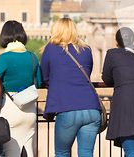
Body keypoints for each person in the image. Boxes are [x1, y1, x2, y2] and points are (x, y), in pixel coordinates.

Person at [40, 18, 101, 157]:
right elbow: (87, 73)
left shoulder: (51, 48)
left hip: (67, 108)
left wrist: (54, 80)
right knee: (86, 153)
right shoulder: (86, 49)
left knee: (62, 153)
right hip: (91, 108)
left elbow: (43, 76)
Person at [101, 27, 134, 157]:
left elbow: (107, 79)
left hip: (125, 103)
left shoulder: (112, 54)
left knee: (131, 149)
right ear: (133, 40)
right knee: (131, 143)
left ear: (116, 41)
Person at [0, 21, 41, 157]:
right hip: (30, 110)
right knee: (28, 152)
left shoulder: (4, 58)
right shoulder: (32, 57)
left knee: (11, 152)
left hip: (10, 110)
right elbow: (38, 83)